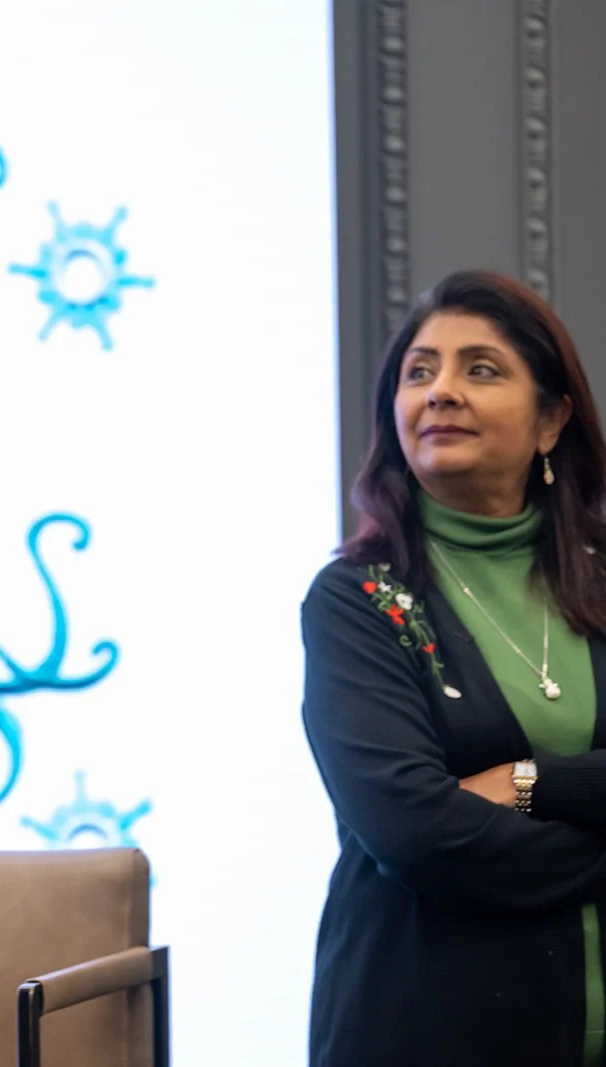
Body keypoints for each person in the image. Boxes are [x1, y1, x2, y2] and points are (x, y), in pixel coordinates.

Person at [303, 269, 606, 1064]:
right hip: (422, 1027)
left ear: (551, 419)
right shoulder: (356, 599)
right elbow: (415, 832)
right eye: (419, 371)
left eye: (481, 368)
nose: (441, 390)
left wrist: (526, 783)